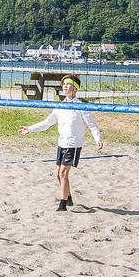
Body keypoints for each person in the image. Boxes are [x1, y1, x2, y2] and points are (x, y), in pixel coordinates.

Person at [20, 75, 102, 211]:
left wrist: (97, 138)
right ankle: (68, 197)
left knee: (63, 173)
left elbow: (92, 125)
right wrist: (30, 128)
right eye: (64, 84)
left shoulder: (81, 106)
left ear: (75, 89)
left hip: (74, 144)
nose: (65, 86)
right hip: (62, 143)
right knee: (58, 174)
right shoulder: (60, 106)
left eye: (68, 84)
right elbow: (46, 123)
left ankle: (63, 204)